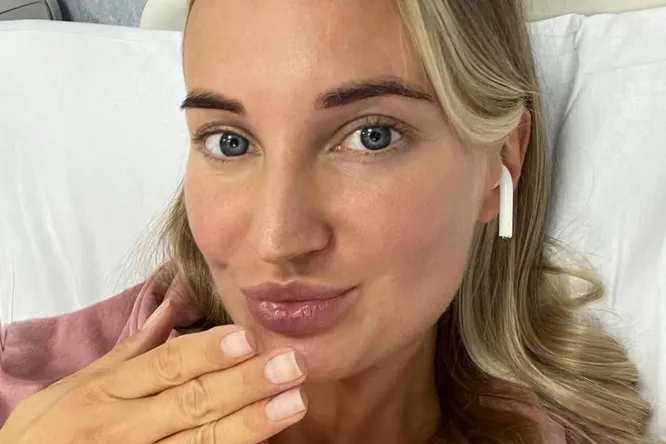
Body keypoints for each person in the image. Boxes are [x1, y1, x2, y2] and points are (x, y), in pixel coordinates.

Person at [0, 0, 659, 442]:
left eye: (372, 135)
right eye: (230, 141)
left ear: (500, 163)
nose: (278, 241)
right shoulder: (28, 398)